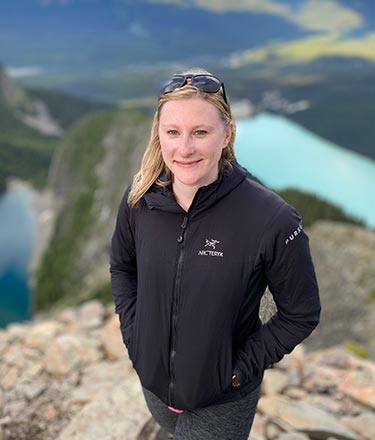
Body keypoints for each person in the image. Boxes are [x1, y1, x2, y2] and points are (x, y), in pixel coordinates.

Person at [109, 68, 321, 439]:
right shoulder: (140, 197)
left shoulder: (271, 218)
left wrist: (235, 371)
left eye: (200, 132)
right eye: (173, 132)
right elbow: (123, 267)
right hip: (155, 385)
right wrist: (134, 335)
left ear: (228, 134)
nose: (184, 148)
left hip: (223, 398)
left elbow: (301, 314)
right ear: (158, 134)